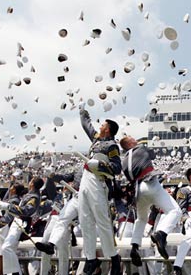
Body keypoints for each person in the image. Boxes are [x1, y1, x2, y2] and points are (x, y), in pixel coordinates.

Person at [120, 136, 181, 266]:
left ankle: (135, 246)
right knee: (175, 211)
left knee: (141, 219)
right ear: (130, 143)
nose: (134, 139)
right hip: (151, 184)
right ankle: (161, 234)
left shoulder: (124, 160)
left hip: (138, 190)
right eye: (132, 139)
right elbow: (152, 154)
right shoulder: (140, 148)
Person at [77, 103, 123, 275]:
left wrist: (100, 165)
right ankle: (91, 258)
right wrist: (82, 111)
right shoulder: (96, 138)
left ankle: (113, 256)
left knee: (102, 220)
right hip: (85, 178)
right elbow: (86, 125)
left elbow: (117, 168)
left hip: (99, 180)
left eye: (103, 124)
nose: (100, 126)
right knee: (85, 219)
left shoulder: (112, 145)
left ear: (108, 129)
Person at [0, 176, 43, 275]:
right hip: (18, 222)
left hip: (21, 223)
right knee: (10, 249)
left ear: (32, 184)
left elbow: (26, 211)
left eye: (30, 181)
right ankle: (14, 272)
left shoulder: (34, 197)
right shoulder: (30, 195)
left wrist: (8, 206)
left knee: (6, 248)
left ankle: (16, 272)